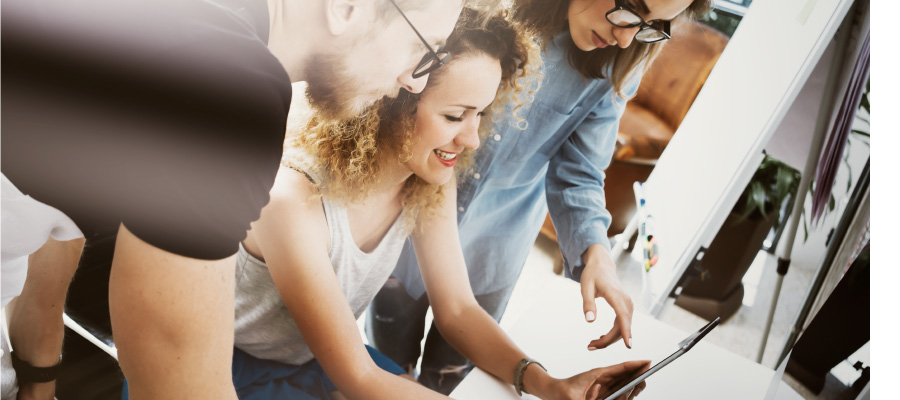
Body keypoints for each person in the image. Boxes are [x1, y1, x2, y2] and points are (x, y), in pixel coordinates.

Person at [0, 0, 463, 397]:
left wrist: (39, 372)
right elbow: (176, 379)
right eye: (423, 50)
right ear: (346, 7)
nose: (415, 82)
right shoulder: (233, 89)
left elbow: (60, 201)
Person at [230, 8, 651, 399]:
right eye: (454, 117)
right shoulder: (293, 200)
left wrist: (547, 383)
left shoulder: (428, 181)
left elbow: (458, 309)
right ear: (392, 99)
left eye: (481, 115)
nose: (472, 140)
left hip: (313, 361)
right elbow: (357, 377)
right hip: (236, 368)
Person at [368, 0, 713, 394]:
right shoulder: (476, 14)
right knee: (387, 359)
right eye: (631, 8)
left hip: (495, 243)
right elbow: (358, 373)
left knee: (455, 379)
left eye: (654, 25)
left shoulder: (623, 55)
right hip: (403, 227)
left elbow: (580, 170)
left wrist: (596, 252)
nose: (626, 37)